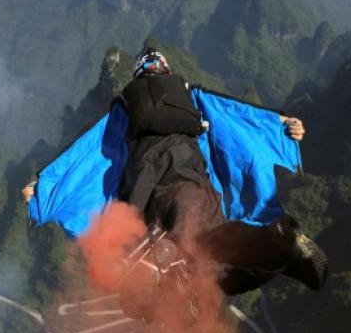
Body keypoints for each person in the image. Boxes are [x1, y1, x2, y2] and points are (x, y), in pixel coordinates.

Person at [25, 47, 328, 299]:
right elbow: (237, 113)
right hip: (194, 179)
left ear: (139, 74)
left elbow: (87, 150)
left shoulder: (125, 106)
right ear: (165, 71)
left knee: (205, 247)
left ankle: (280, 244)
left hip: (151, 190)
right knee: (211, 239)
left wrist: (44, 188)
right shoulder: (190, 95)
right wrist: (281, 125)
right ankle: (278, 248)